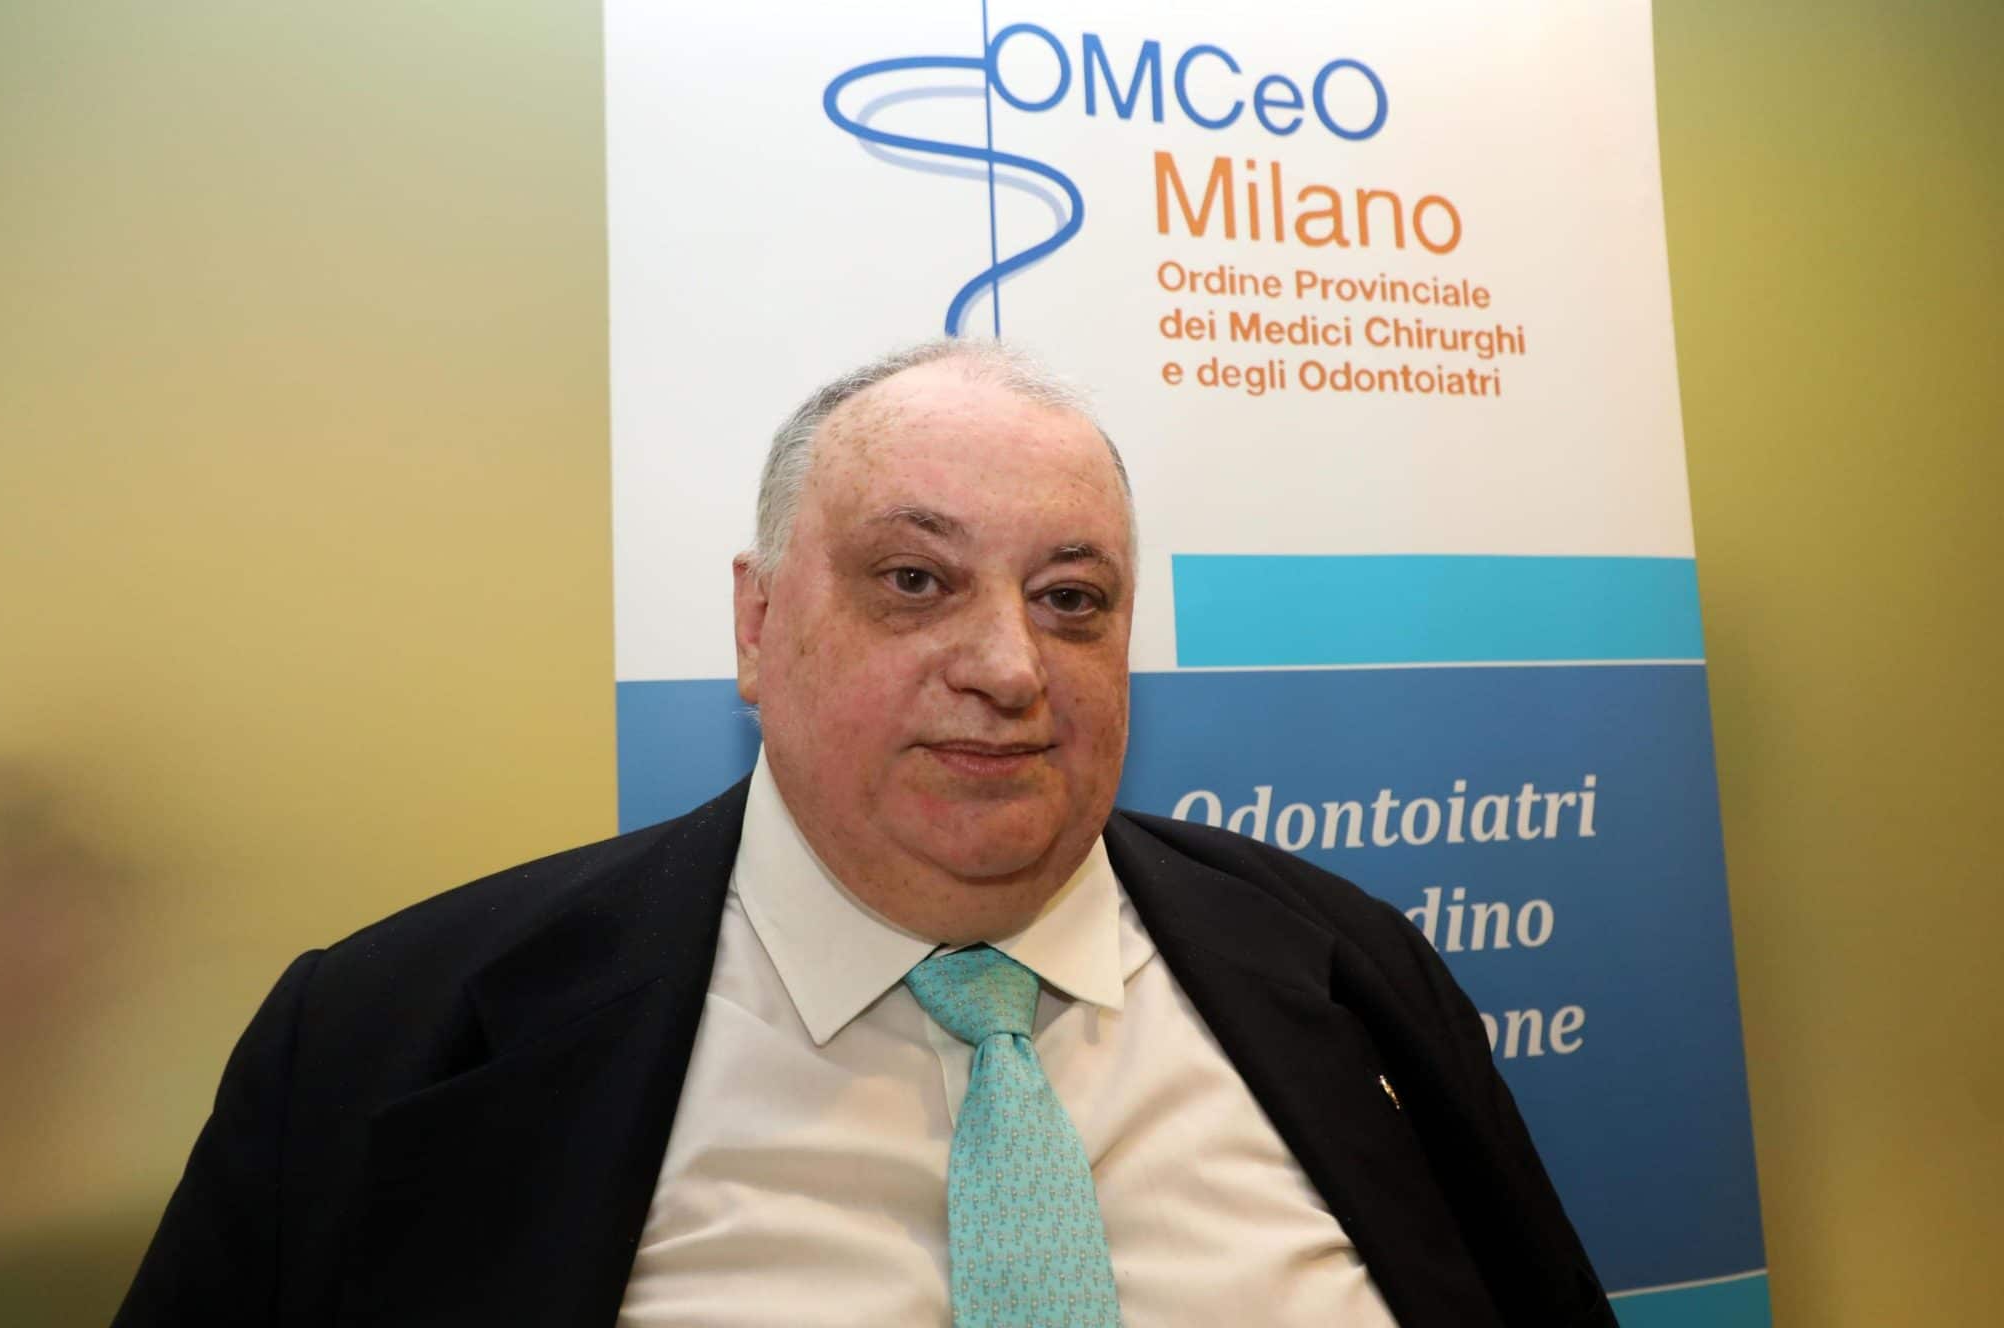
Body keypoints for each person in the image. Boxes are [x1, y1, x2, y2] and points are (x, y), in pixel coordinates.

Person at [116, 339, 1615, 1327]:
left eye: (1071, 599)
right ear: (757, 622)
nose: (1010, 667)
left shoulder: (1354, 972)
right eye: (914, 581)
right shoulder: (378, 1041)